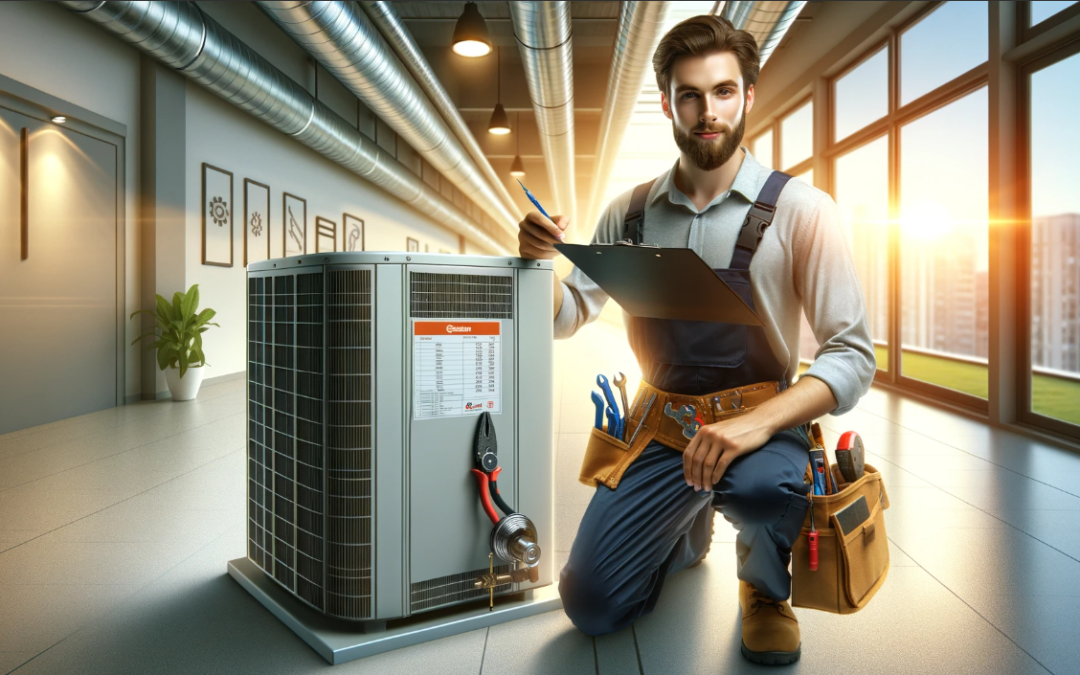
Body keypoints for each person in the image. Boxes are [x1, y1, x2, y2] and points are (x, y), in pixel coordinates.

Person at [516, 14, 876, 666]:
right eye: (689, 95)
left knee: (770, 489)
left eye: (723, 91)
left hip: (760, 427)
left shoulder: (803, 210)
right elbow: (569, 313)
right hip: (659, 427)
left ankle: (764, 589)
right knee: (591, 605)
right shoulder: (628, 213)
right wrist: (538, 261)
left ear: (748, 96)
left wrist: (757, 424)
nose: (707, 111)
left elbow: (851, 354)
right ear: (666, 104)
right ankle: (684, 531)